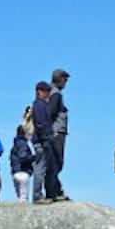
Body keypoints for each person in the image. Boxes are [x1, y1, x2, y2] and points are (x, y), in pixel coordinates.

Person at [29, 82, 65, 202]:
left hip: (45, 140)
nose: (48, 94)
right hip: (42, 141)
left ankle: (52, 193)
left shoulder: (42, 105)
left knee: (51, 168)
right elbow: (41, 124)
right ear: (39, 91)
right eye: (46, 91)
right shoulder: (39, 106)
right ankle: (37, 196)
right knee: (41, 168)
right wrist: (47, 138)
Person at [44, 68, 70, 199]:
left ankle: (55, 189)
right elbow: (51, 112)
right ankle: (53, 191)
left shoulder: (50, 92)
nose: (66, 82)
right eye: (65, 79)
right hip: (56, 132)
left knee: (54, 162)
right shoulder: (56, 94)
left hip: (54, 132)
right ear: (59, 80)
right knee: (56, 162)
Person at [9, 125, 34, 201]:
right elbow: (23, 157)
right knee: (24, 197)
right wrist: (34, 157)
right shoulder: (23, 144)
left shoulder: (15, 144)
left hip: (15, 172)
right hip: (23, 171)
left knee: (19, 196)